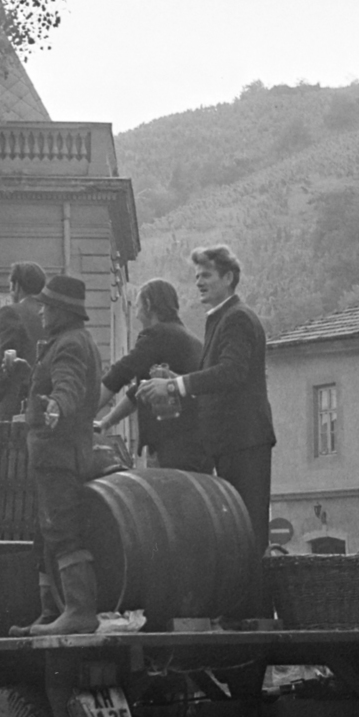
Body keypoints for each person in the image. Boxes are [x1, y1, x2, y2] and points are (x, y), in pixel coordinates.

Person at [139, 244, 275, 617]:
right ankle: (242, 615)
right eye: (196, 276)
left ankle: (254, 619)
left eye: (207, 275)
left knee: (248, 533)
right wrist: (177, 383)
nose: (199, 282)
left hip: (245, 441)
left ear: (229, 278)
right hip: (229, 442)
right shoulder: (220, 319)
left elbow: (231, 373)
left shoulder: (238, 319)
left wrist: (176, 386)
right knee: (237, 532)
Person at [18, 273, 105, 636]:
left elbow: (68, 384)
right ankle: (52, 609)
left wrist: (56, 407)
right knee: (48, 532)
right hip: (61, 453)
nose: (41, 313)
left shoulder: (68, 344)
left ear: (62, 311)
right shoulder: (71, 340)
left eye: (47, 307)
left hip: (57, 454)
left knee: (63, 530)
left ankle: (78, 609)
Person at [95, 278, 210, 472]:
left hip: (174, 446)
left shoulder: (156, 335)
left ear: (148, 305)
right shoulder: (191, 340)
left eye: (138, 306)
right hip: (200, 446)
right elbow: (139, 391)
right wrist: (106, 422)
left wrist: (82, 414)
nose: (137, 315)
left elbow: (119, 374)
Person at [0, 262, 47, 421]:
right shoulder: (50, 314)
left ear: (17, 286)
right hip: (46, 405)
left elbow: (3, 360)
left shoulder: (11, 313)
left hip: (15, 406)